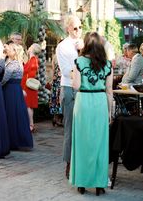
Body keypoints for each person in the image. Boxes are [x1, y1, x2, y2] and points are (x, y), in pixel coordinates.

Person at [69, 32, 113, 196]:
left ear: (86, 45)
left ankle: (81, 182)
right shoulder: (107, 64)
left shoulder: (79, 61)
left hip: (84, 102)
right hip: (100, 102)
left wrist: (73, 74)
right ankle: (100, 184)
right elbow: (109, 91)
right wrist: (109, 112)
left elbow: (76, 85)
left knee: (82, 143)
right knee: (100, 144)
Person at [56, 15, 84, 179]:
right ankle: (69, 163)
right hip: (70, 89)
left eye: (80, 27)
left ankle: (82, 162)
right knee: (70, 128)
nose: (78, 30)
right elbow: (67, 71)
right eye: (75, 28)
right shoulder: (63, 47)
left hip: (86, 90)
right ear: (68, 28)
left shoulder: (85, 44)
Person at [2, 42, 33, 150]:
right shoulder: (16, 63)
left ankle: (13, 141)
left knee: (11, 114)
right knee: (17, 114)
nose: (9, 50)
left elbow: (4, 79)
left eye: (12, 49)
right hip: (15, 90)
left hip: (10, 90)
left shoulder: (13, 64)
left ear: (16, 52)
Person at [21, 43, 41, 133]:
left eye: (30, 47)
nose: (28, 48)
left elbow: (31, 74)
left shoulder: (33, 60)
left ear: (32, 49)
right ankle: (29, 124)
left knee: (28, 106)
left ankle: (31, 125)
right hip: (27, 86)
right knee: (28, 106)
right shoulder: (31, 59)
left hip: (28, 86)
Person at [49, 53, 63, 126]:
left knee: (55, 100)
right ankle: (58, 119)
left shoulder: (55, 56)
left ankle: (55, 118)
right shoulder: (63, 57)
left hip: (55, 81)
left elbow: (53, 69)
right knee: (59, 100)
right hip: (60, 82)